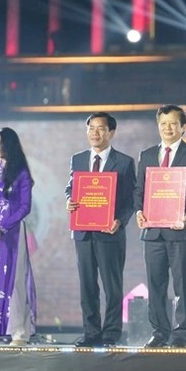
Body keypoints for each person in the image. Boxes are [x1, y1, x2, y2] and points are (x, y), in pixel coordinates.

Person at [134, 105, 186, 348]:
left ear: (183, 127)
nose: (167, 128)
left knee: (182, 285)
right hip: (153, 232)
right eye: (163, 124)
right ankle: (159, 332)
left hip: (181, 231)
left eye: (173, 124)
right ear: (158, 126)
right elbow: (139, 190)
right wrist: (139, 212)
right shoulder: (147, 155)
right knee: (155, 284)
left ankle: (181, 332)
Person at [66, 112, 136, 347]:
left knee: (112, 286)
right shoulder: (77, 159)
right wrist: (69, 200)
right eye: (91, 128)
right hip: (83, 233)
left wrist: (120, 220)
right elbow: (71, 187)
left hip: (110, 233)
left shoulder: (124, 162)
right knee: (87, 285)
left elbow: (131, 199)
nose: (94, 133)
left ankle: (111, 334)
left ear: (111, 132)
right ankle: (91, 333)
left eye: (100, 128)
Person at [0, 127, 36, 346]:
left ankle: (18, 331)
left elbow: (25, 207)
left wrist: (3, 227)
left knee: (14, 280)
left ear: (9, 144)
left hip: (12, 234)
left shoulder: (21, 173)